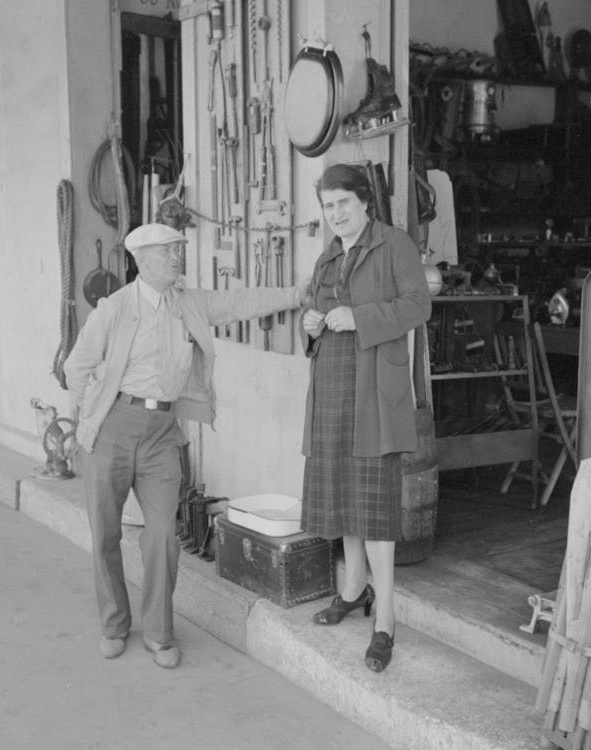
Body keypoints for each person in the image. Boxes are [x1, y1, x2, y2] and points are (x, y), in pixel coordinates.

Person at [64, 223, 309, 667]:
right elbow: (75, 367)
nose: (179, 255)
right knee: (105, 532)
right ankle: (115, 623)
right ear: (142, 260)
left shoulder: (189, 302)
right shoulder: (115, 308)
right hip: (113, 426)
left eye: (179, 248)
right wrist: (89, 418)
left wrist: (297, 294)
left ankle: (159, 632)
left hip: (162, 432)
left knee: (162, 536)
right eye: (168, 250)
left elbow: (240, 303)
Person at [300, 164, 431, 673]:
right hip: (332, 384)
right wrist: (311, 325)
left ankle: (387, 619)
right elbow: (315, 314)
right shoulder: (328, 256)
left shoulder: (394, 245)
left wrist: (360, 316)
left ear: (365, 202)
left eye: (343, 205)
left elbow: (418, 306)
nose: (336, 215)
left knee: (374, 503)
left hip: (375, 387)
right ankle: (352, 589)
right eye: (328, 207)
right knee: (342, 491)